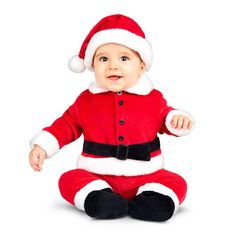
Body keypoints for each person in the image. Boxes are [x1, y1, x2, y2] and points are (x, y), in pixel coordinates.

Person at [29, 14, 195, 222]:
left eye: (124, 58)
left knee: (177, 182)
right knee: (67, 180)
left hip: (146, 174)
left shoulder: (152, 98)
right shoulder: (86, 100)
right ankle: (99, 197)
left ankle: (154, 199)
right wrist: (42, 146)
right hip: (97, 175)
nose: (112, 66)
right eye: (103, 59)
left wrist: (176, 120)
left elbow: (165, 117)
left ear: (141, 67)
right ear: (92, 65)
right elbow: (66, 125)